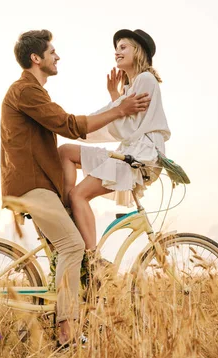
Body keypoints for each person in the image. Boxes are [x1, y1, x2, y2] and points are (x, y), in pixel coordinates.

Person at [0, 29, 150, 345]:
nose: (58, 56)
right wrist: (120, 109)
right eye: (52, 52)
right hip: (31, 187)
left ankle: (78, 307)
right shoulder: (25, 92)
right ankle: (68, 334)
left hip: (40, 186)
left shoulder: (33, 92)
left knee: (71, 245)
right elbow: (69, 126)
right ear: (36, 58)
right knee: (73, 246)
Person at [59, 29, 170, 262]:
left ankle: (91, 261)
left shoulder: (146, 80)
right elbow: (127, 122)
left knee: (79, 195)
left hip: (140, 153)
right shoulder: (132, 87)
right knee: (66, 152)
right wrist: (115, 98)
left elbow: (125, 125)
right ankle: (65, 207)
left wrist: (73, 125)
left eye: (123, 47)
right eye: (117, 48)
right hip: (130, 150)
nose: (117, 52)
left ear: (137, 51)